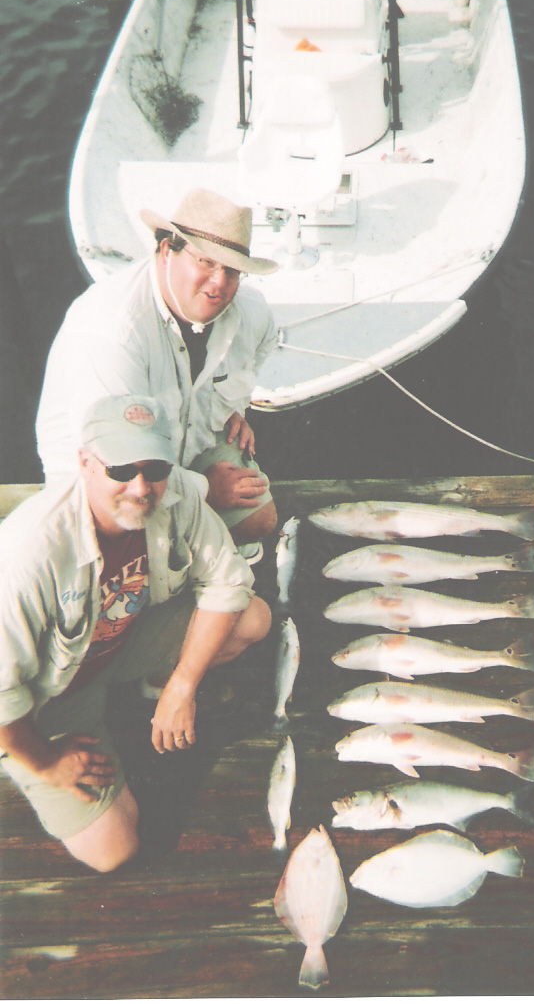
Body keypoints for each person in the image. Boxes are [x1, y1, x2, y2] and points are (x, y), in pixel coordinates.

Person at [0, 395, 272, 874]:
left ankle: (147, 691)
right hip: (52, 696)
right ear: (84, 463)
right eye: (121, 470)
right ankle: (38, 755)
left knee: (251, 618)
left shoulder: (176, 496)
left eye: (155, 466)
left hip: (119, 643)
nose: (142, 487)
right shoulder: (27, 553)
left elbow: (228, 582)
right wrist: (45, 761)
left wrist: (183, 684)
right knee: (114, 851)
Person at [36, 188, 279, 558]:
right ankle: (177, 561)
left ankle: (193, 549)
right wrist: (205, 490)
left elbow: (260, 346)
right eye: (205, 261)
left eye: (231, 270)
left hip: (180, 444)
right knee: (131, 540)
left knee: (260, 519)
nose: (218, 282)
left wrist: (235, 407)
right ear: (167, 250)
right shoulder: (112, 330)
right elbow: (115, 459)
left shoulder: (251, 309)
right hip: (109, 478)